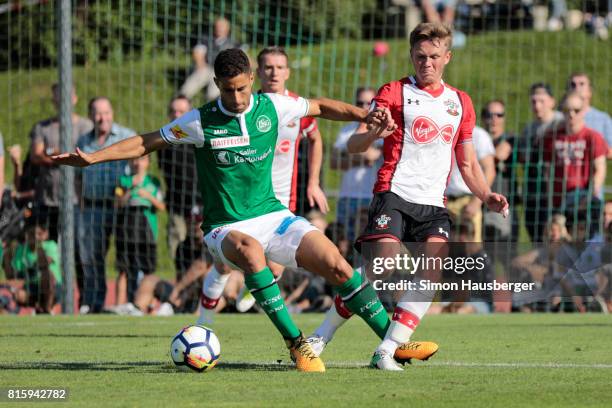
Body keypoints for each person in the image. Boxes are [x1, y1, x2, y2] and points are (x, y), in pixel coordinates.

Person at [53, 48, 408, 373]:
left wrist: (365, 114)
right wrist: (93, 158)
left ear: (251, 80)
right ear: (217, 85)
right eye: (227, 90)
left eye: (241, 89)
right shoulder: (199, 121)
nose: (236, 98)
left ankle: (391, 344)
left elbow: (320, 107)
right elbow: (147, 141)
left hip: (274, 216)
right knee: (250, 252)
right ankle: (297, 344)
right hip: (223, 226)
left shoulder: (273, 106)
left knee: (337, 263)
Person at [308, 22, 508, 370]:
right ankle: (322, 334)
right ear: (411, 56)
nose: (426, 63)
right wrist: (374, 133)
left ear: (447, 57)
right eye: (419, 56)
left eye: (433, 56)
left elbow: (468, 161)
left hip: (434, 202)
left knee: (434, 266)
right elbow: (355, 145)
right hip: (394, 192)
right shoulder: (393, 92)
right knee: (380, 264)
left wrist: (486, 193)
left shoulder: (460, 102)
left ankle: (387, 349)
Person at [196, 46, 328, 325]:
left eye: (280, 67)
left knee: (275, 265)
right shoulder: (244, 104)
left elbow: (315, 138)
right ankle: (204, 322)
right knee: (222, 266)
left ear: (288, 72)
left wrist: (314, 182)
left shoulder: (293, 106)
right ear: (258, 73)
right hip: (242, 198)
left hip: (280, 196)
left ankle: (253, 290)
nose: (274, 73)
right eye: (268, 67)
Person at [75, 97, 135, 314]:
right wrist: (80, 201)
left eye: (106, 112)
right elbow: (76, 177)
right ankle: (93, 302)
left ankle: (132, 302)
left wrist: (126, 192)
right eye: (98, 113)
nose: (103, 118)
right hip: (92, 208)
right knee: (91, 257)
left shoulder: (127, 136)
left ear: (112, 113)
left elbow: (139, 167)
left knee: (125, 256)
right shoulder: (83, 140)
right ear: (91, 116)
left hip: (120, 208)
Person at [30, 84, 93, 241]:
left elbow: (90, 155)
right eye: (59, 97)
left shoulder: (86, 126)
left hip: (77, 198)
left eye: (67, 96)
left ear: (75, 99)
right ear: (54, 100)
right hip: (49, 198)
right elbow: (36, 156)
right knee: (49, 246)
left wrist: (51, 152)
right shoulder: (42, 127)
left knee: (76, 244)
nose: (62, 101)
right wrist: (65, 154)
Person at [540, 91, 607, 240]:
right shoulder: (551, 137)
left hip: (585, 198)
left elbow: (600, 169)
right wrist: (551, 199)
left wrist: (590, 194)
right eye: (566, 110)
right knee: (559, 245)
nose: (571, 114)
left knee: (588, 242)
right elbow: (547, 171)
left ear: (583, 111)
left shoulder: (593, 137)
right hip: (559, 200)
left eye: (576, 110)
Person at [331, 87, 382, 242]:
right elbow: (334, 162)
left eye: (369, 103)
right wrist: (362, 154)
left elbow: (373, 157)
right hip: (347, 196)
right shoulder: (346, 131)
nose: (364, 107)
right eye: (360, 103)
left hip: (371, 197)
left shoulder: (381, 132)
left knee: (367, 244)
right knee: (344, 242)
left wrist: (347, 153)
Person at [114, 155, 165, 304]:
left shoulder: (153, 182)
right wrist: (130, 190)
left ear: (148, 162)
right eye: (134, 160)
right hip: (126, 229)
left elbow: (161, 206)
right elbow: (118, 203)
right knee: (123, 269)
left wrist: (148, 196)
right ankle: (120, 305)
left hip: (146, 230)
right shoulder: (123, 181)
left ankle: (149, 304)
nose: (137, 163)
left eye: (142, 159)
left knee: (148, 269)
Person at [157, 96, 202, 261]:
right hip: (177, 205)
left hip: (202, 203)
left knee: (203, 251)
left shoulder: (200, 138)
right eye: (173, 111)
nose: (177, 115)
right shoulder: (163, 143)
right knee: (177, 250)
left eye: (181, 112)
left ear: (190, 113)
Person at [519, 83, 564, 242]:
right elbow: (524, 160)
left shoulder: (561, 124)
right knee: (536, 236)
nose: (537, 106)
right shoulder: (529, 129)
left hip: (556, 192)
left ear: (552, 101)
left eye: (542, 101)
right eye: (533, 101)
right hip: (534, 191)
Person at [445, 124, 495, 242]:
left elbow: (490, 170)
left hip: (468, 201)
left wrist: (477, 202)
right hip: (443, 201)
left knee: (470, 250)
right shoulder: (443, 128)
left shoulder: (479, 135)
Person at [3, 220, 61, 314]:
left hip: (53, 288)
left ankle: (47, 308)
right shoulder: (22, 250)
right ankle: (37, 308)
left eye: (39, 234)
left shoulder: (50, 245)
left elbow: (46, 262)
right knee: (17, 294)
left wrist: (33, 265)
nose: (35, 237)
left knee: (48, 277)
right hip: (32, 287)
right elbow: (15, 273)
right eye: (32, 234)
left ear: (45, 234)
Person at [481, 100, 519, 242]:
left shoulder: (510, 138)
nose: (494, 119)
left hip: (503, 203)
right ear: (483, 117)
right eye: (489, 114)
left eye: (499, 115)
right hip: (480, 202)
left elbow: (499, 155)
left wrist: (481, 159)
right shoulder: (477, 139)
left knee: (504, 251)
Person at [567, 72, 612, 157]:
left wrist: (588, 150)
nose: (577, 88)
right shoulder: (560, 117)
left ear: (590, 91)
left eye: (582, 84)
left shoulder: (603, 118)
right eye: (573, 85)